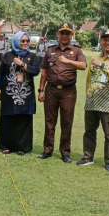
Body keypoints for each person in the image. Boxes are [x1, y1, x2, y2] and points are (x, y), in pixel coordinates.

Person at [77, 29, 109, 171]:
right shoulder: (95, 57)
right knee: (89, 131)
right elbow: (89, 78)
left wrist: (102, 65)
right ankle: (87, 156)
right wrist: (88, 93)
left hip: (108, 102)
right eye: (105, 39)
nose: (108, 42)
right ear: (100, 41)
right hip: (92, 101)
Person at [37, 22, 87, 163]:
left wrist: (67, 61)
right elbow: (45, 71)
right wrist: (41, 90)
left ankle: (65, 152)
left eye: (68, 33)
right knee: (49, 121)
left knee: (66, 121)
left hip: (68, 91)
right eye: (62, 33)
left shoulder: (76, 51)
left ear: (72, 35)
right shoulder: (50, 50)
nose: (65, 36)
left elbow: (83, 66)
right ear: (57, 34)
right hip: (51, 89)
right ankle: (47, 149)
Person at [0, 32, 40, 155]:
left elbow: (36, 71)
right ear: (16, 42)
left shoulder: (32, 56)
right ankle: (5, 145)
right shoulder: (8, 56)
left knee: (23, 120)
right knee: (8, 119)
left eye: (27, 41)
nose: (25, 43)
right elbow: (1, 73)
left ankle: (22, 147)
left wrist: (23, 65)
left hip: (26, 94)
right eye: (22, 41)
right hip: (9, 93)